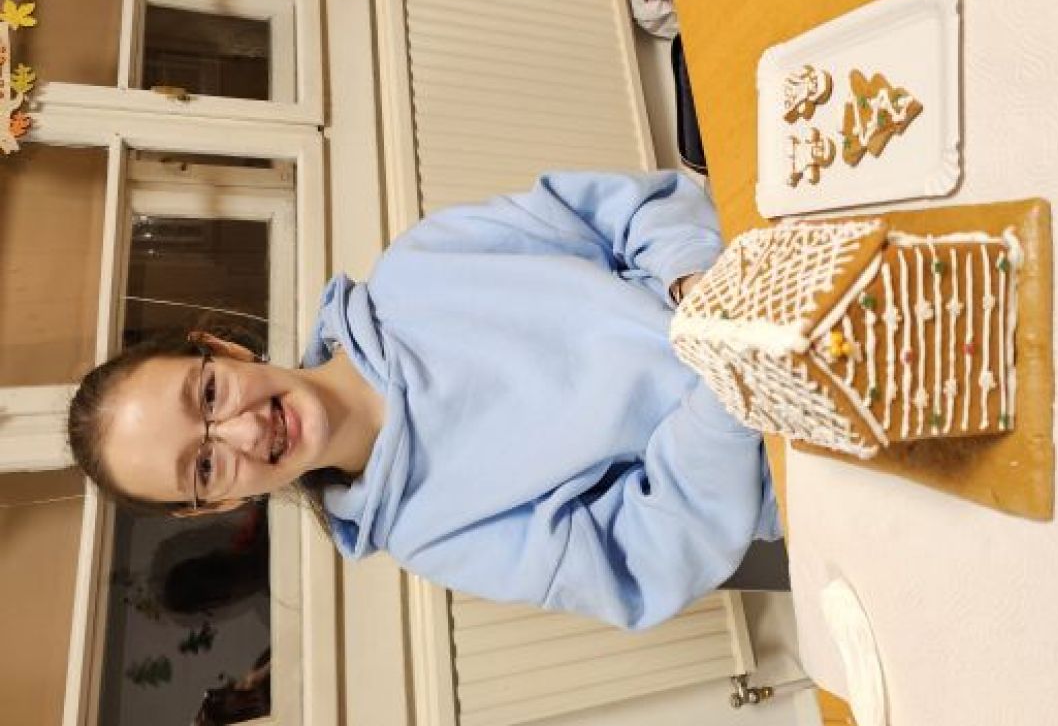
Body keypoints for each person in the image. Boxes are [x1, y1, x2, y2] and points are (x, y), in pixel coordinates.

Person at [69, 171, 781, 630]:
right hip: (794, 446)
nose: (245, 431)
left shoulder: (419, 264)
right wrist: (727, 387)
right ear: (219, 504)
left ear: (222, 348)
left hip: (772, 275)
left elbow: (627, 211)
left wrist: (696, 286)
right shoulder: (432, 538)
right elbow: (647, 557)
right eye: (204, 466)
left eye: (209, 395)